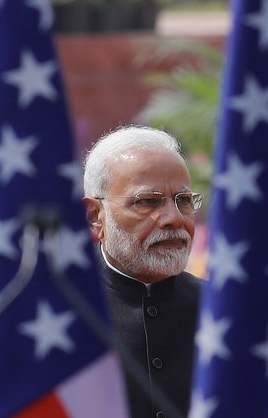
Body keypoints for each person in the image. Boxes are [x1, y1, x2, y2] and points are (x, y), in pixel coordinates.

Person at [83, 125, 203, 418]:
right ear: (95, 216)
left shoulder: (222, 308)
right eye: (148, 201)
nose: (174, 219)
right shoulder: (69, 309)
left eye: (184, 200)